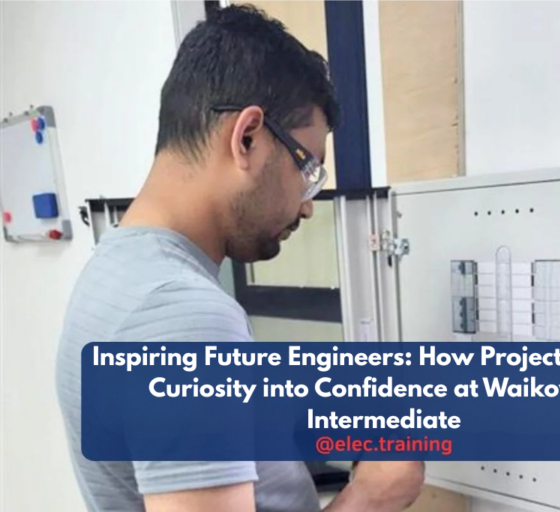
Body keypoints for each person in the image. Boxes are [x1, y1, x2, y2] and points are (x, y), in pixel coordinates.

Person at [55, 5, 424, 512]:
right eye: (308, 169)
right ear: (246, 137)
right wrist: (373, 495)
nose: (307, 206)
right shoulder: (180, 312)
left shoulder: (119, 269)